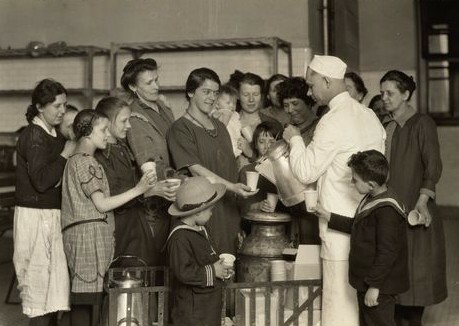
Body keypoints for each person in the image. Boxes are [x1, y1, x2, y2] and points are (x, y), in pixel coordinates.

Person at [283, 55, 386, 326]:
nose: (308, 91)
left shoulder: (332, 120)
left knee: (338, 306)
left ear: (327, 81)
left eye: (311, 83)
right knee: (362, 304)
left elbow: (306, 171)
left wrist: (294, 139)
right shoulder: (369, 115)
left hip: (337, 226)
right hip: (366, 221)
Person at [61, 109, 155, 326]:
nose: (106, 135)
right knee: (86, 300)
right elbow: (101, 204)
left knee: (86, 299)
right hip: (87, 239)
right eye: (102, 130)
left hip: (87, 237)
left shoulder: (78, 160)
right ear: (87, 133)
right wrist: (139, 189)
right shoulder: (86, 162)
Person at [380, 70, 447, 326]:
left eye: (391, 93)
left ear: (406, 94)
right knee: (395, 277)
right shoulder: (386, 126)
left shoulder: (422, 123)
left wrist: (422, 202)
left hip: (414, 209)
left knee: (415, 277)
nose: (385, 98)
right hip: (391, 209)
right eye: (382, 92)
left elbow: (433, 167)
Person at [313, 150, 409, 326]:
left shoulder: (387, 210)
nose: (352, 181)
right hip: (369, 281)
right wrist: (328, 216)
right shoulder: (372, 196)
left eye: (355, 179)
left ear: (371, 184)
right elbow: (359, 226)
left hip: (379, 285)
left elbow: (387, 253)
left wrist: (374, 286)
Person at [167, 67, 255, 255]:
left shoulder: (220, 127)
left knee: (233, 266)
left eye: (215, 93)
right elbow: (197, 171)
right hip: (204, 212)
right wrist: (232, 187)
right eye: (205, 92)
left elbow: (231, 166)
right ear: (190, 92)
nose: (212, 98)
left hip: (231, 210)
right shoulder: (180, 129)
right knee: (211, 268)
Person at [13, 79, 74, 326]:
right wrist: (64, 155)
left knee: (53, 294)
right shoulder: (34, 135)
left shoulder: (53, 134)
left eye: (65, 105)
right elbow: (41, 181)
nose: (62, 111)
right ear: (40, 106)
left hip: (50, 216)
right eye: (56, 106)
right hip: (34, 218)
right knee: (38, 293)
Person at [94, 97, 177, 266]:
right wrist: (150, 191)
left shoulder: (123, 147)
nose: (129, 126)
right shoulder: (100, 155)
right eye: (124, 121)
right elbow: (113, 193)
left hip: (136, 223)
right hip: (118, 227)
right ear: (107, 123)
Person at [120, 58, 178, 263]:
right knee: (155, 261)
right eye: (148, 83)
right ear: (133, 87)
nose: (156, 86)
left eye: (156, 80)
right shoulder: (135, 118)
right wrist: (176, 180)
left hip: (174, 193)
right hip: (154, 204)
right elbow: (148, 163)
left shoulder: (163, 107)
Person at [166, 177, 233, 326]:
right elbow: (183, 272)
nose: (211, 214)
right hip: (192, 313)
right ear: (198, 212)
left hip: (207, 307)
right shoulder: (179, 238)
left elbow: (208, 258)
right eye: (210, 210)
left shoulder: (202, 229)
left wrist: (222, 269)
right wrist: (213, 271)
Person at [277, 77, 321, 245]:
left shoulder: (319, 128)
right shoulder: (287, 130)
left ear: (308, 101)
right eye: (286, 105)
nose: (290, 109)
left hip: (313, 204)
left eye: (295, 104)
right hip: (291, 203)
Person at [237, 72, 282, 167]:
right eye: (246, 94)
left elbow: (279, 165)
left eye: (255, 94)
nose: (251, 100)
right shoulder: (229, 123)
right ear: (238, 95)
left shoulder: (273, 124)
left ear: (261, 96)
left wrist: (251, 154)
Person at [238, 121, 283, 216]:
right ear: (255, 144)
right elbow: (241, 206)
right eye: (261, 142)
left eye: (272, 142)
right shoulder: (247, 170)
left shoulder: (284, 169)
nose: (267, 146)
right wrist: (258, 206)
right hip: (255, 224)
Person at [210, 84, 242, 158]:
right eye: (228, 103)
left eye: (234, 103)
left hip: (235, 148)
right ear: (217, 104)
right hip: (221, 151)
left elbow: (237, 128)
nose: (232, 106)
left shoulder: (235, 115)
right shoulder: (216, 114)